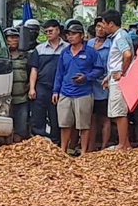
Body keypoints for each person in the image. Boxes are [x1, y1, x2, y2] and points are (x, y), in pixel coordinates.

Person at [52, 19, 105, 157]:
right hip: (65, 91)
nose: (71, 36)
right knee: (64, 123)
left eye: (74, 34)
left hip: (84, 92)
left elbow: (99, 69)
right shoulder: (65, 52)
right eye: (69, 34)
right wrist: (55, 90)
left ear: (81, 35)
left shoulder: (91, 52)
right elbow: (59, 72)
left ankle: (83, 152)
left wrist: (86, 77)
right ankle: (63, 150)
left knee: (84, 124)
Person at [90, 12, 133, 152]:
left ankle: (122, 145)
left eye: (104, 24)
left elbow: (127, 54)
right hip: (114, 79)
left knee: (119, 113)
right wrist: (108, 77)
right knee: (117, 113)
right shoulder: (120, 36)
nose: (102, 28)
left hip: (119, 81)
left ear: (111, 24)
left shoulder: (120, 36)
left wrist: (122, 72)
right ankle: (125, 143)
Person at [28, 21, 62, 140]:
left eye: (51, 31)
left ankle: (56, 142)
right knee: (38, 116)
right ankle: (39, 141)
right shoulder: (39, 49)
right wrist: (32, 88)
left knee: (56, 117)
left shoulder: (67, 48)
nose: (48, 34)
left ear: (58, 31)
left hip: (59, 88)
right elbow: (34, 70)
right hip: (41, 87)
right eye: (46, 32)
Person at [5, 26, 30, 142]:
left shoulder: (25, 56)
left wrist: (30, 85)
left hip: (22, 97)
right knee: (4, 126)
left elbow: (32, 72)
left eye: (16, 38)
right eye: (10, 38)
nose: (14, 40)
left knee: (21, 126)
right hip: (5, 98)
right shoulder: (0, 56)